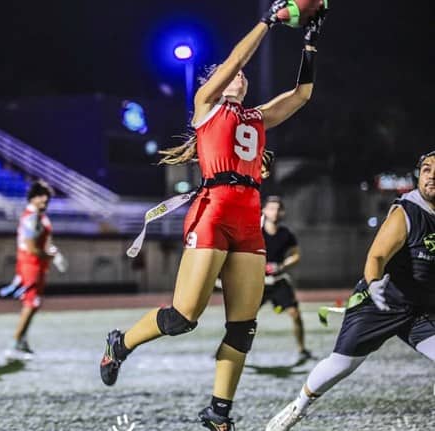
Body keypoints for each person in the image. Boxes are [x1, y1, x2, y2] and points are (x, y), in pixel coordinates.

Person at [99, 2, 327, 430]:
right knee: (184, 317)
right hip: (212, 212)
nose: (239, 75)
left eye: (240, 74)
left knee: (244, 326)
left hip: (247, 216)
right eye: (231, 72)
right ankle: (122, 343)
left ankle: (218, 413)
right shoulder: (206, 105)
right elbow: (240, 58)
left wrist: (310, 40)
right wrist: (267, 21)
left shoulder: (254, 117)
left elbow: (302, 96)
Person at [266, 150, 435, 431]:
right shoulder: (407, 212)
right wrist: (374, 283)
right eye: (427, 169)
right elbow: (376, 257)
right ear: (419, 174)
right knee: (341, 365)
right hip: (378, 304)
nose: (432, 175)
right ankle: (298, 407)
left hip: (419, 311)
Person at [0, 180, 67, 359]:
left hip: (35, 264)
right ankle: (14, 345)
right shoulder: (32, 217)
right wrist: (51, 256)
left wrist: (51, 252)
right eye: (41, 195)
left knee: (32, 306)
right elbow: (31, 247)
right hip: (31, 265)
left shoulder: (37, 214)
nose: (45, 199)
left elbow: (41, 243)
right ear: (33, 197)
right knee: (31, 304)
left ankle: (22, 341)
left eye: (47, 196)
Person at [260, 195, 311, 362]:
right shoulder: (255, 232)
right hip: (257, 283)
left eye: (278, 209)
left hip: (278, 280)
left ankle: (302, 349)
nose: (275, 212)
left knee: (295, 314)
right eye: (271, 208)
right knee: (242, 318)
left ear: (282, 212)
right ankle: (226, 350)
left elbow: (296, 255)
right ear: (264, 211)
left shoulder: (286, 233)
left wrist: (281, 266)